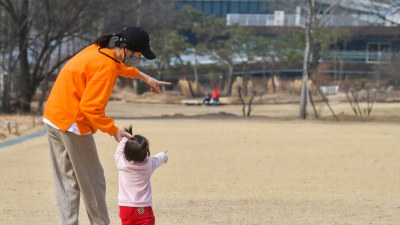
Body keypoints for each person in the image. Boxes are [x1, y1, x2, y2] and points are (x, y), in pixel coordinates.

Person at [43, 27, 170, 225]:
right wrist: (113, 130)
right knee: (94, 181)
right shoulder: (107, 67)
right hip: (73, 123)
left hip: (53, 117)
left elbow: (119, 67)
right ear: (126, 49)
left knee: (66, 180)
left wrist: (146, 77)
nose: (138, 59)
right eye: (138, 55)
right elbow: (89, 108)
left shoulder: (98, 50)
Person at [115, 126, 168, 225]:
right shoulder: (148, 165)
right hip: (143, 207)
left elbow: (119, 151)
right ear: (145, 152)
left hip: (125, 207)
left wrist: (125, 139)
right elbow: (160, 157)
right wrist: (164, 155)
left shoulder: (121, 163)